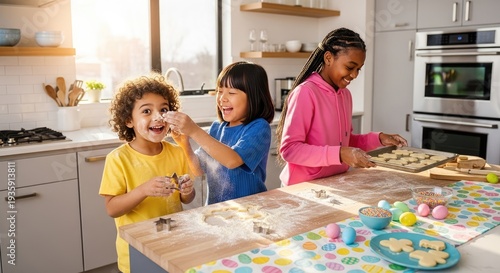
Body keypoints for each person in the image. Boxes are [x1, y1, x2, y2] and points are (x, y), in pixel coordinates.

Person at [276, 27, 408, 186]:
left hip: (334, 183)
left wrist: (378, 138)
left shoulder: (345, 95)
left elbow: (346, 143)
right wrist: (339, 154)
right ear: (328, 58)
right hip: (303, 187)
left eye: (358, 69)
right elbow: (290, 149)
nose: (354, 75)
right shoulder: (306, 92)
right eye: (350, 67)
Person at [99, 74, 202, 273]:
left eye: (163, 109)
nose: (158, 116)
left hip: (173, 246)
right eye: (147, 111)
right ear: (129, 120)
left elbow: (186, 199)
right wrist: (143, 190)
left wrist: (187, 191)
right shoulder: (118, 159)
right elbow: (112, 209)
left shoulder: (176, 152)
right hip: (137, 251)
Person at [164, 61, 275, 204]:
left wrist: (194, 130)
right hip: (217, 209)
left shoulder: (259, 128)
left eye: (231, 92)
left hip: (251, 207)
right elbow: (198, 170)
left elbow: (232, 160)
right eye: (219, 91)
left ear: (254, 96)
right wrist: (185, 143)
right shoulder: (217, 128)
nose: (222, 98)